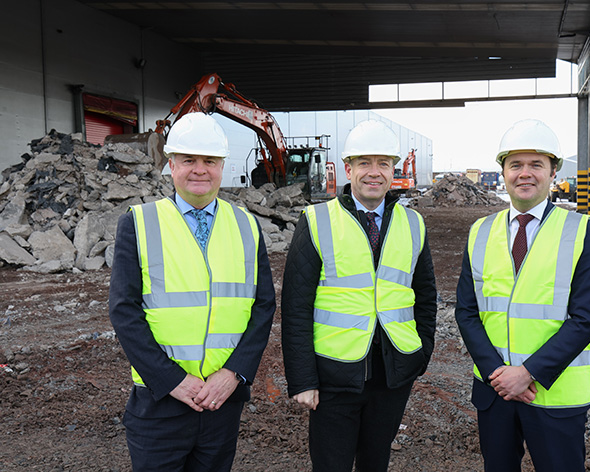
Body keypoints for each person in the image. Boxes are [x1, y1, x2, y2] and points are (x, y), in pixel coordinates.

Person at [109, 112, 276, 472]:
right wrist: (172, 380)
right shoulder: (138, 223)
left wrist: (234, 374)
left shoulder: (246, 225)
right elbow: (124, 312)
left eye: (210, 161)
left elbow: (263, 307)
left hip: (222, 402)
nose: (200, 170)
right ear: (171, 164)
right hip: (160, 402)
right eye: (189, 160)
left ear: (222, 166)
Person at [281, 120, 437, 472]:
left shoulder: (413, 224)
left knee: (375, 462)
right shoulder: (318, 220)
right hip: (334, 375)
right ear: (348, 168)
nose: (374, 173)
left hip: (392, 375)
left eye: (383, 164)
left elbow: (426, 297)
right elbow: (295, 307)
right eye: (364, 163)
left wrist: (420, 354)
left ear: (393, 170)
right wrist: (303, 380)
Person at [455, 119, 590, 471]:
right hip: (495, 393)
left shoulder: (581, 231)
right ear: (504, 172)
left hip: (554, 395)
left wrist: (528, 373)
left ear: (553, 171)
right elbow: (466, 311)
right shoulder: (480, 231)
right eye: (516, 165)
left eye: (536, 164)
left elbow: (585, 319)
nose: (525, 173)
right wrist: (499, 373)